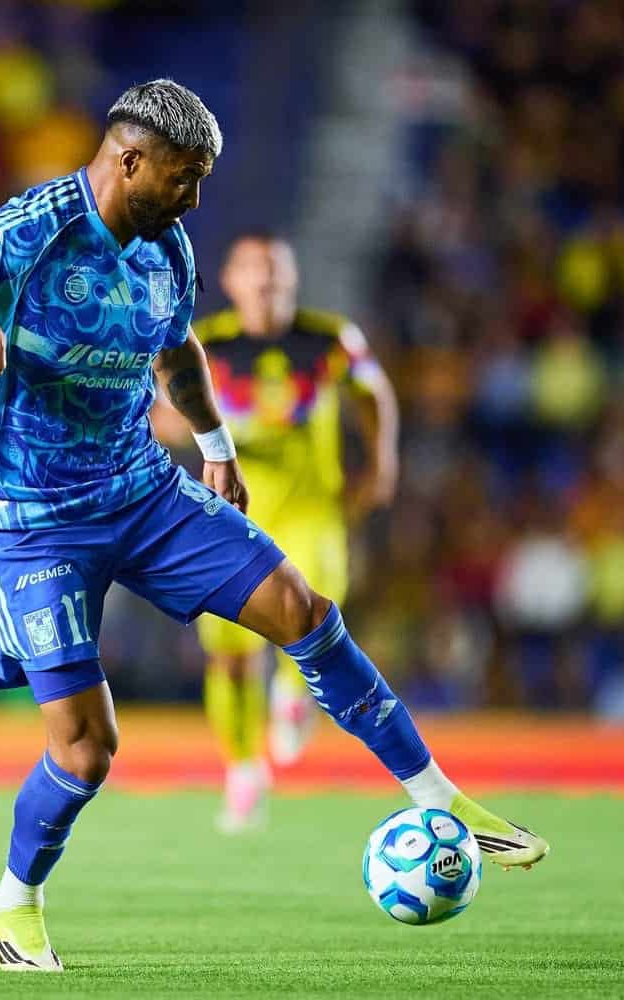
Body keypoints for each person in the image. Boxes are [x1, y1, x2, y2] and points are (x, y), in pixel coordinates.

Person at [0, 79, 549, 973]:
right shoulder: (29, 232)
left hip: (142, 490)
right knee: (86, 749)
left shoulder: (168, 246)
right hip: (31, 518)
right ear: (129, 161)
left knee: (303, 608)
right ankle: (16, 899)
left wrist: (215, 443)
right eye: (184, 177)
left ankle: (441, 796)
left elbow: (177, 348)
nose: (195, 198)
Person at [191, 233, 399, 832]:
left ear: (293, 279)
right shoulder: (208, 345)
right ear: (230, 281)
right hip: (234, 520)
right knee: (229, 659)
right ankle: (242, 767)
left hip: (311, 511)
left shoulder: (331, 339)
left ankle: (293, 691)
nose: (266, 282)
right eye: (254, 270)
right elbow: (163, 405)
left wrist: (381, 459)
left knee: (312, 609)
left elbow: (374, 392)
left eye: (276, 270)